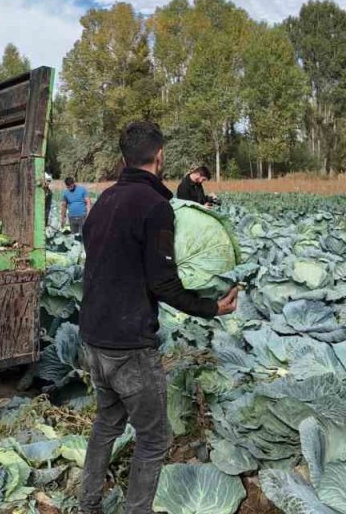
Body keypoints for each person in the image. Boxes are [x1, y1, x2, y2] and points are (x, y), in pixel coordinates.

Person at [77, 121, 240, 514]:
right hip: (130, 345)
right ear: (161, 156)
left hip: (94, 339)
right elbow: (164, 284)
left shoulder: (104, 202)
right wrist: (211, 308)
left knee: (106, 424)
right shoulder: (155, 207)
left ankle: (88, 505)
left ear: (123, 159)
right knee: (154, 438)